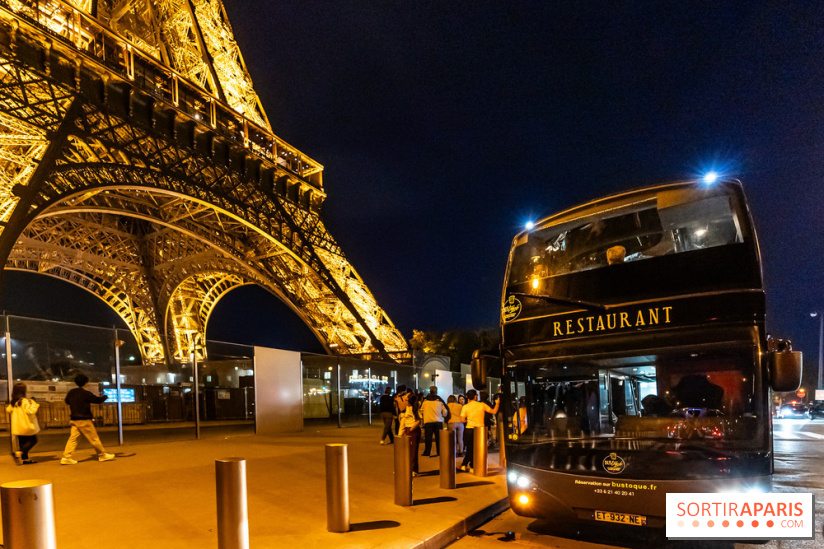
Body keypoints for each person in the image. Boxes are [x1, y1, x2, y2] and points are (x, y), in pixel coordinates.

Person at [61, 374, 115, 464]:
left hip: (74, 419)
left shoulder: (71, 392)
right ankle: (102, 455)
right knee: (94, 439)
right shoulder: (85, 393)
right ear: (86, 383)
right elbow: (97, 400)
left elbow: (67, 401)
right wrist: (105, 397)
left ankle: (66, 457)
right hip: (84, 419)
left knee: (73, 439)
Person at [460, 389, 500, 472]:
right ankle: (471, 465)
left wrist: (470, 420)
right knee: (477, 449)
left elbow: (462, 420)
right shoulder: (482, 405)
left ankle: (465, 464)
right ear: (475, 396)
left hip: (469, 429)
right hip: (480, 430)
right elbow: (494, 411)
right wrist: (497, 403)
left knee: (470, 448)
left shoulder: (465, 406)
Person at [7, 382, 40, 464]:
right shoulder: (26, 401)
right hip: (26, 425)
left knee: (23, 442)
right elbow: (31, 411)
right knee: (33, 440)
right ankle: (19, 452)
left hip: (18, 426)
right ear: (23, 391)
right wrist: (34, 403)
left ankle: (25, 459)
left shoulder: (13, 402)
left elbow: (8, 410)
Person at [420, 386, 450, 457]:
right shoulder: (440, 401)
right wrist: (443, 416)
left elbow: (421, 411)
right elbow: (445, 412)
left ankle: (427, 452)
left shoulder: (425, 402)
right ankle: (439, 452)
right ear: (436, 391)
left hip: (428, 422)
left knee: (428, 438)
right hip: (438, 421)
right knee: (439, 439)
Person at [397, 393, 422, 476]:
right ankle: (409, 468)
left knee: (413, 451)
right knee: (408, 450)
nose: (406, 401)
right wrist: (402, 431)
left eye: (407, 399)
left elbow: (418, 420)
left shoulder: (415, 408)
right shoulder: (408, 407)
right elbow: (404, 420)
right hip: (407, 429)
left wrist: (410, 429)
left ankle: (414, 469)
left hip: (413, 430)